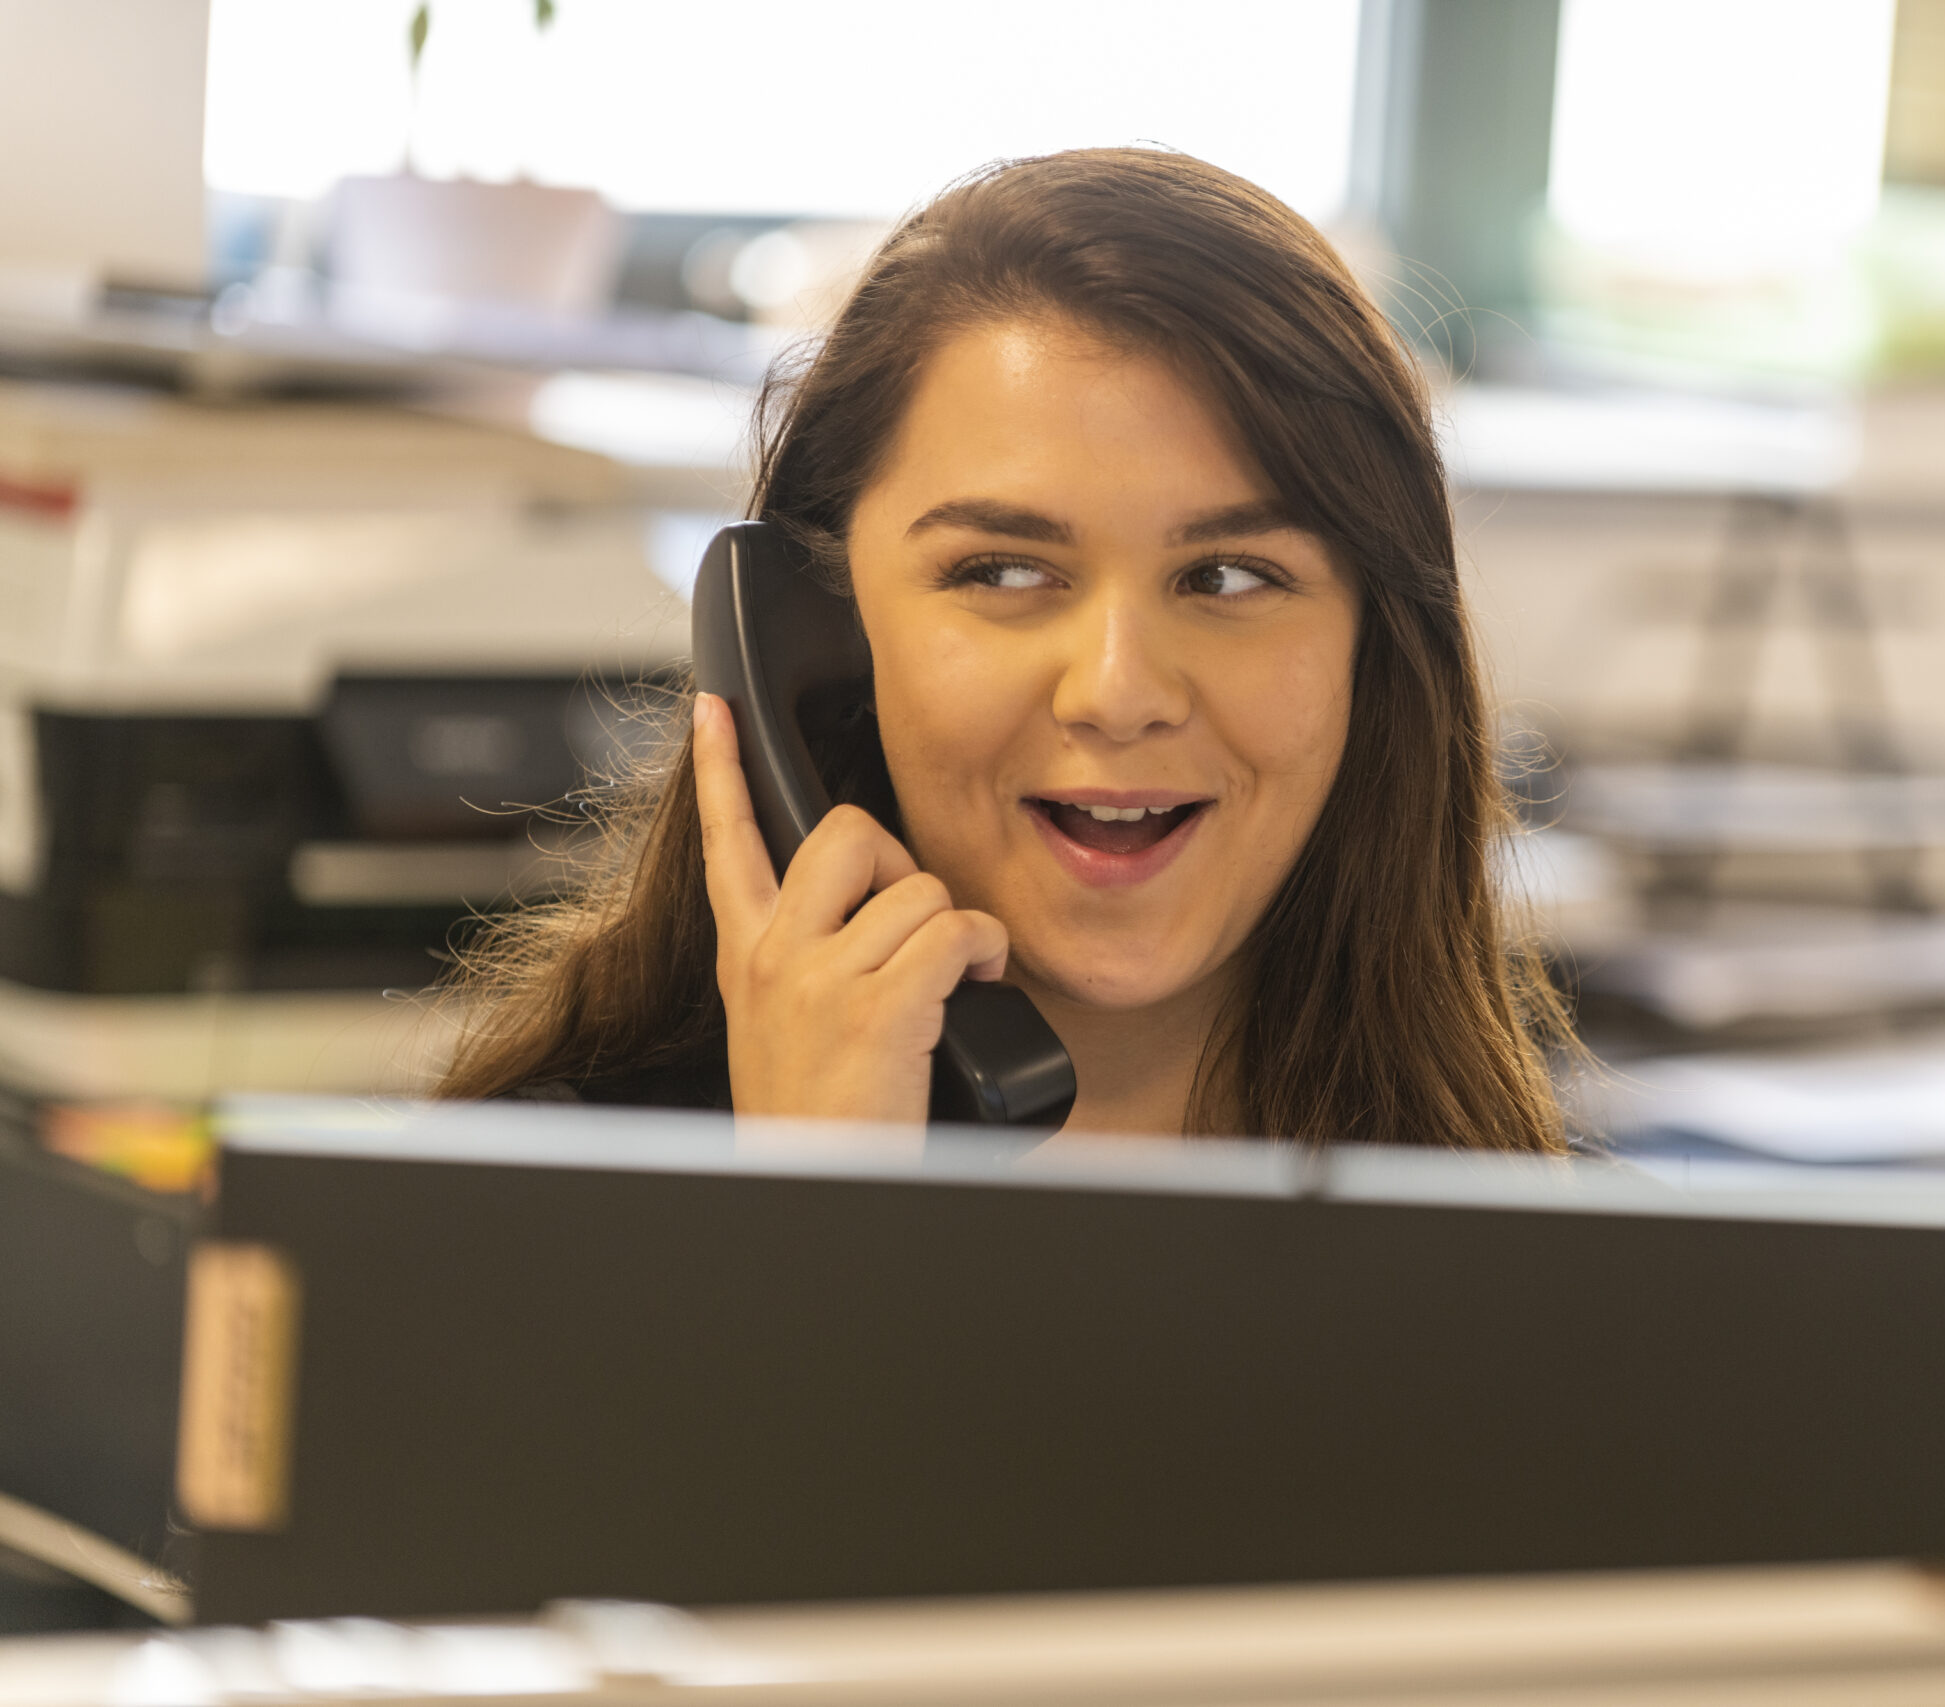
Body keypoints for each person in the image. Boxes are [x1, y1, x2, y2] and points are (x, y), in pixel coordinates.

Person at [436, 148, 1571, 1152]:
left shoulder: (1552, 1285)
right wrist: (816, 1215)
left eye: (1227, 578)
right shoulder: (519, 1216)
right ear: (811, 637)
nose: (1118, 694)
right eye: (1004, 573)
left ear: (1374, 650)